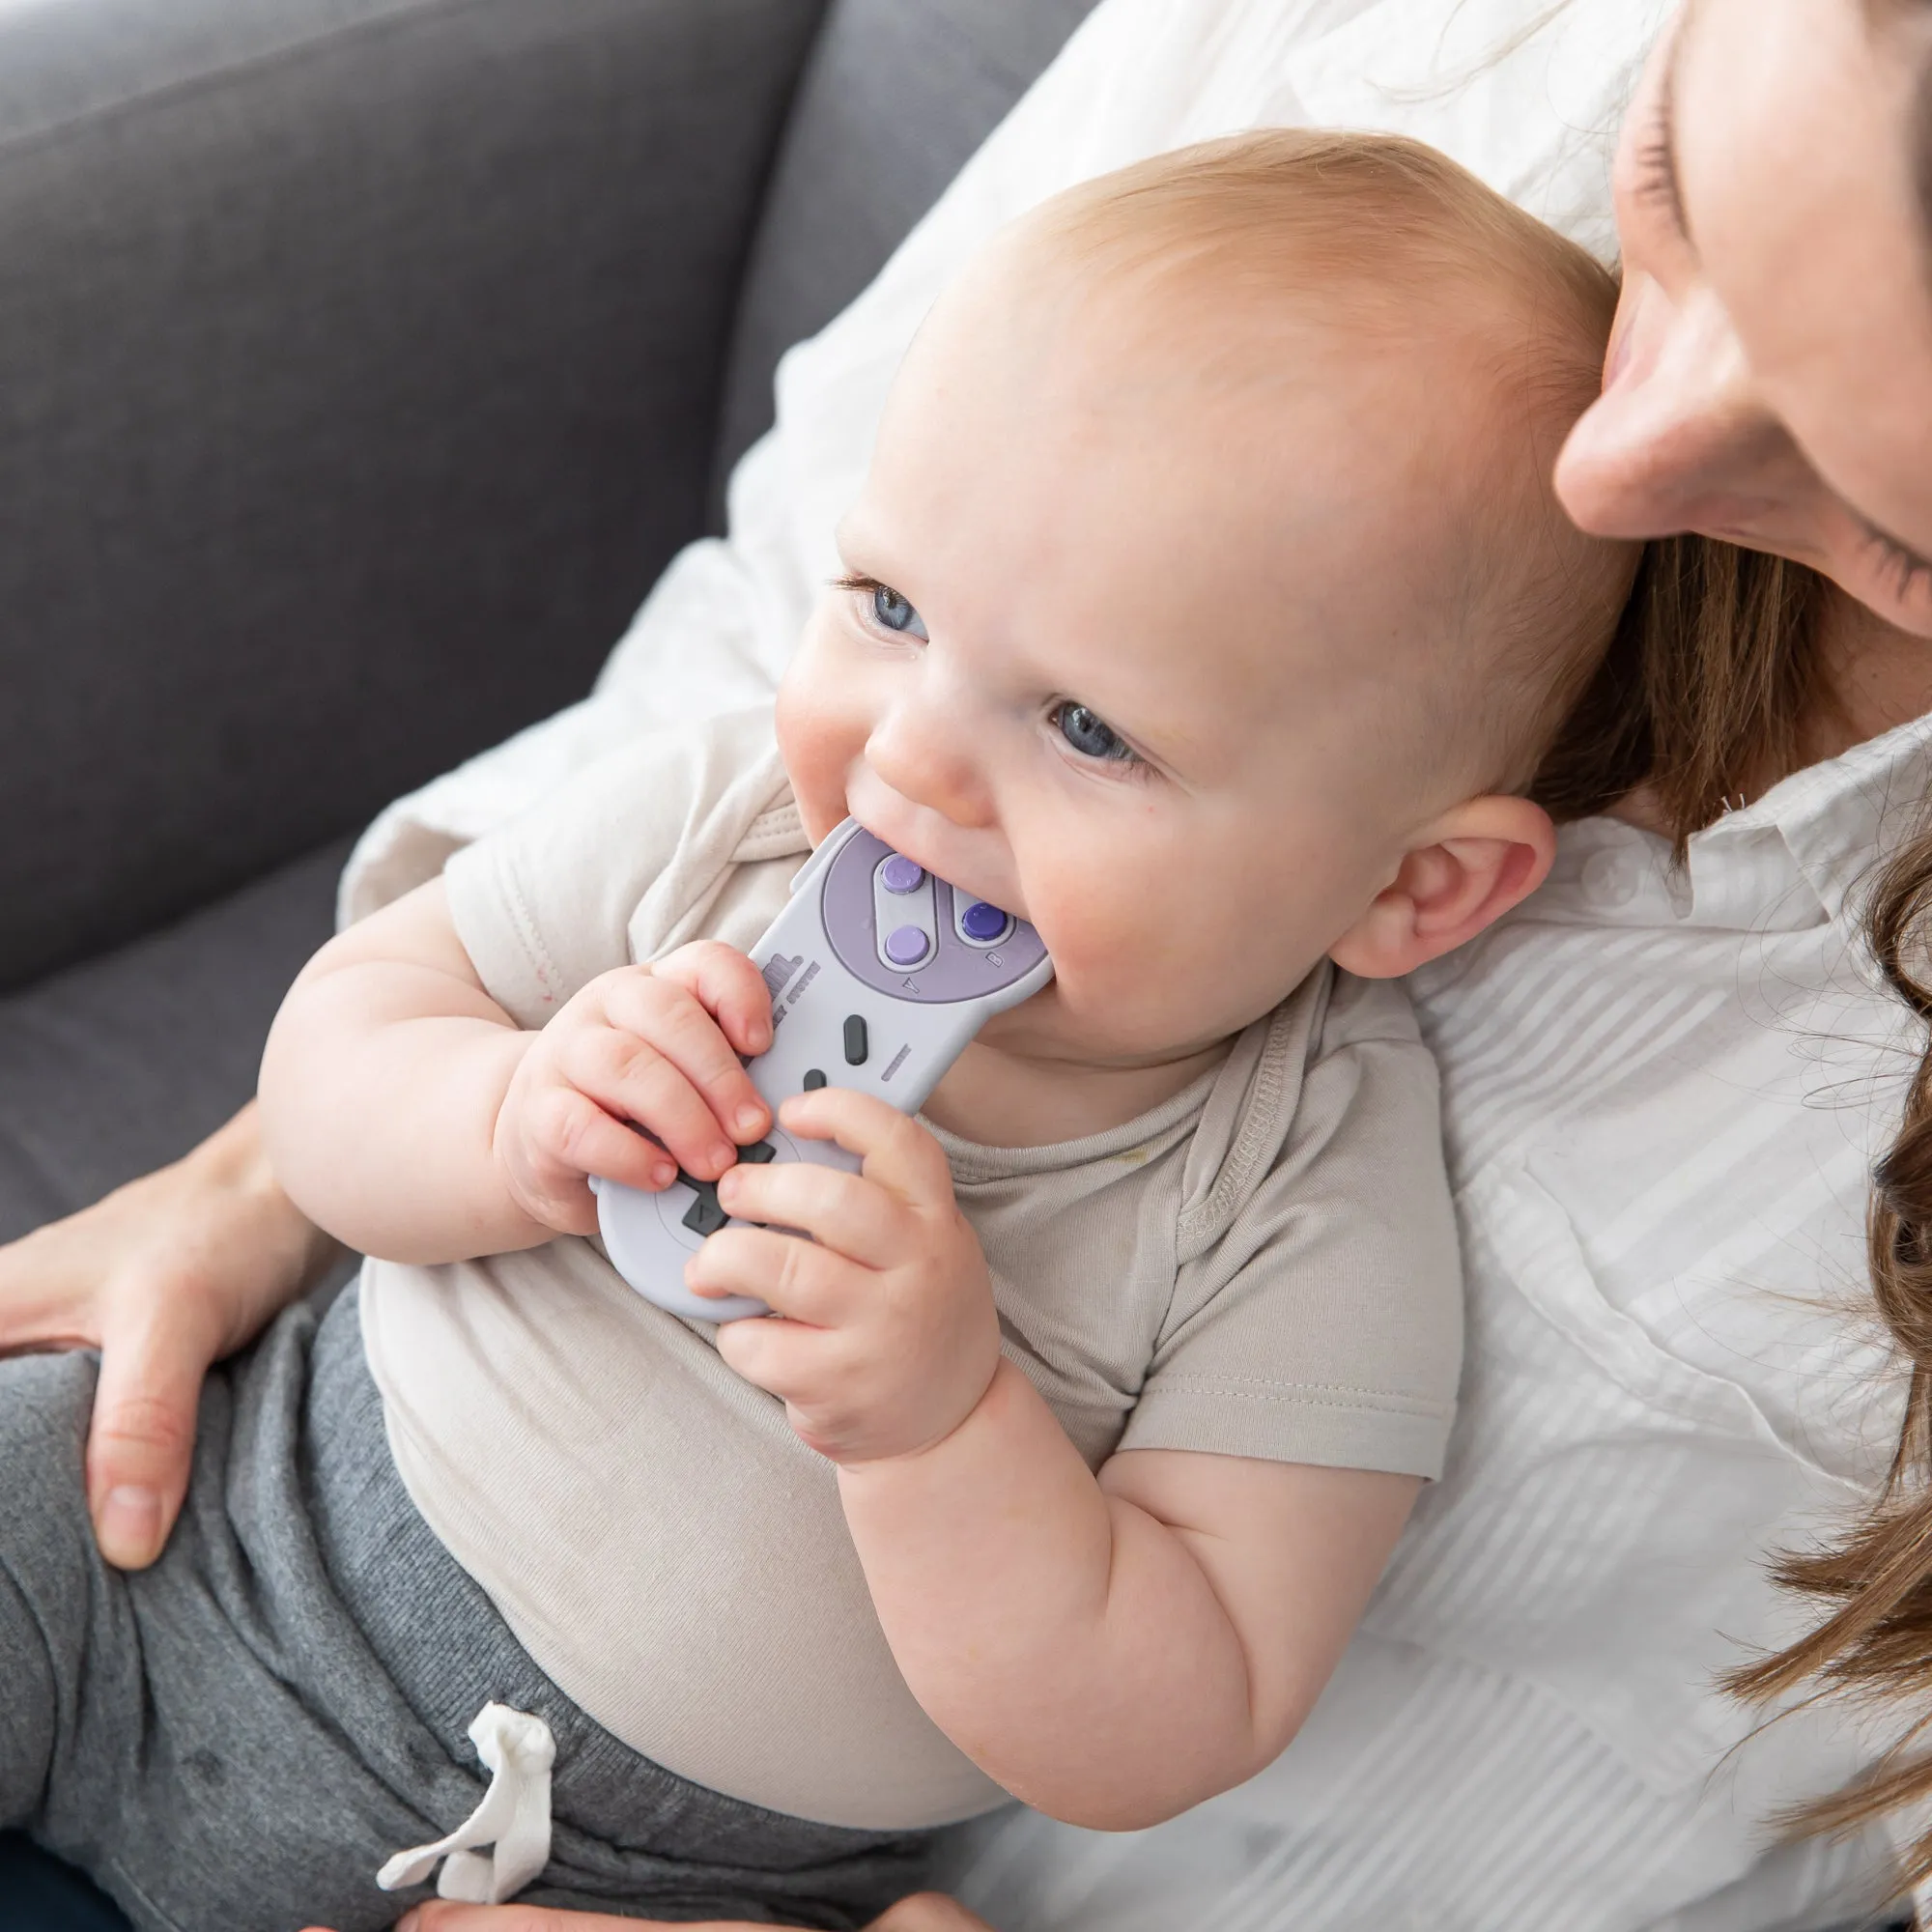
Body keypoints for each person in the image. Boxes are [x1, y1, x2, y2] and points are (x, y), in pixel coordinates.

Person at [8, 0, 1932, 1926]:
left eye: (1087, 731)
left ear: (1418, 893)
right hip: (190, 1535)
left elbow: (1185, 1698)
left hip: (638, 1879)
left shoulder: (1310, 1195)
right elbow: (351, 1035)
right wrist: (499, 1114)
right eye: (893, 607)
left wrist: (945, 1427)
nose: (912, 758)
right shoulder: (739, 819)